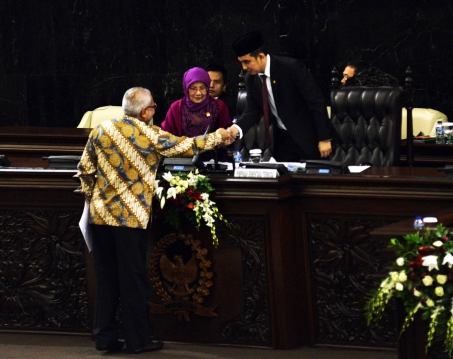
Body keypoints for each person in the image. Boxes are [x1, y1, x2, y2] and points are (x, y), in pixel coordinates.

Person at [77, 87, 233, 354]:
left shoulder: (101, 130)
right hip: (129, 220)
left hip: (99, 217)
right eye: (153, 107)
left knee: (106, 280)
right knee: (132, 281)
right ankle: (138, 341)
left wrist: (93, 199)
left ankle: (104, 337)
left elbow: (85, 170)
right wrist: (220, 136)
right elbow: (188, 145)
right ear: (146, 112)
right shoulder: (150, 134)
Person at [227, 31, 333, 161]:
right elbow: (252, 110)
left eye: (247, 62)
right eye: (241, 62)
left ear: (260, 56)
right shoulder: (250, 79)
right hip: (282, 140)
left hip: (309, 138)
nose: (244, 67)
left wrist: (324, 138)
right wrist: (236, 128)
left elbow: (316, 102)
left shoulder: (291, 68)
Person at [161, 67, 233, 162]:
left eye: (202, 88)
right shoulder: (176, 108)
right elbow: (166, 138)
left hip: (213, 162)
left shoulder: (219, 106)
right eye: (193, 88)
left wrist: (226, 138)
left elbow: (227, 134)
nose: (198, 93)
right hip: (184, 162)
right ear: (186, 88)